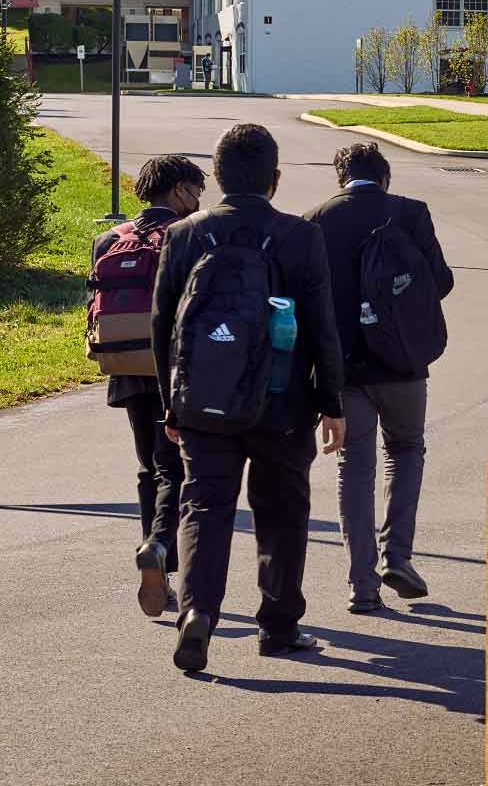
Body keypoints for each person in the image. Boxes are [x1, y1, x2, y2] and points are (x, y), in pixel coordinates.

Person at [150, 122, 347, 674]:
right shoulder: (300, 236)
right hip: (282, 405)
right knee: (283, 511)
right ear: (275, 179)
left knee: (205, 505)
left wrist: (172, 402)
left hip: (202, 402)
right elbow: (321, 326)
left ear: (215, 176)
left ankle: (197, 613)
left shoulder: (184, 235)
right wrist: (332, 403)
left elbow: (163, 324)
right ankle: (279, 627)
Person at [308, 141, 454, 614]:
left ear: (340, 178)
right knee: (407, 450)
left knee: (355, 465)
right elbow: (443, 281)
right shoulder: (411, 213)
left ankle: (361, 583)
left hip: (346, 369)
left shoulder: (317, 219)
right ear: (385, 176)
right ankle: (398, 556)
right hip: (404, 363)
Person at [90, 154, 205, 617]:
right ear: (178, 190)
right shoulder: (186, 235)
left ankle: (155, 553)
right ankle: (160, 549)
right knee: (176, 467)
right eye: (196, 191)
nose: (199, 200)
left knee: (149, 467)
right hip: (172, 368)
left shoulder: (107, 239)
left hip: (124, 364)